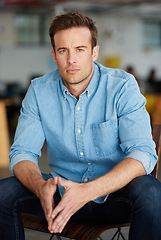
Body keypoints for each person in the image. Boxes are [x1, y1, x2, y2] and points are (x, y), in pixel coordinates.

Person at [0, 12, 161, 240]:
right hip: (61, 195)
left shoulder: (122, 86)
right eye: (63, 50)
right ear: (54, 55)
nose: (71, 60)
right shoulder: (39, 91)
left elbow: (143, 153)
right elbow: (22, 152)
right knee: (3, 193)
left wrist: (87, 191)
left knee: (152, 193)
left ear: (94, 52)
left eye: (80, 49)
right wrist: (39, 186)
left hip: (113, 195)